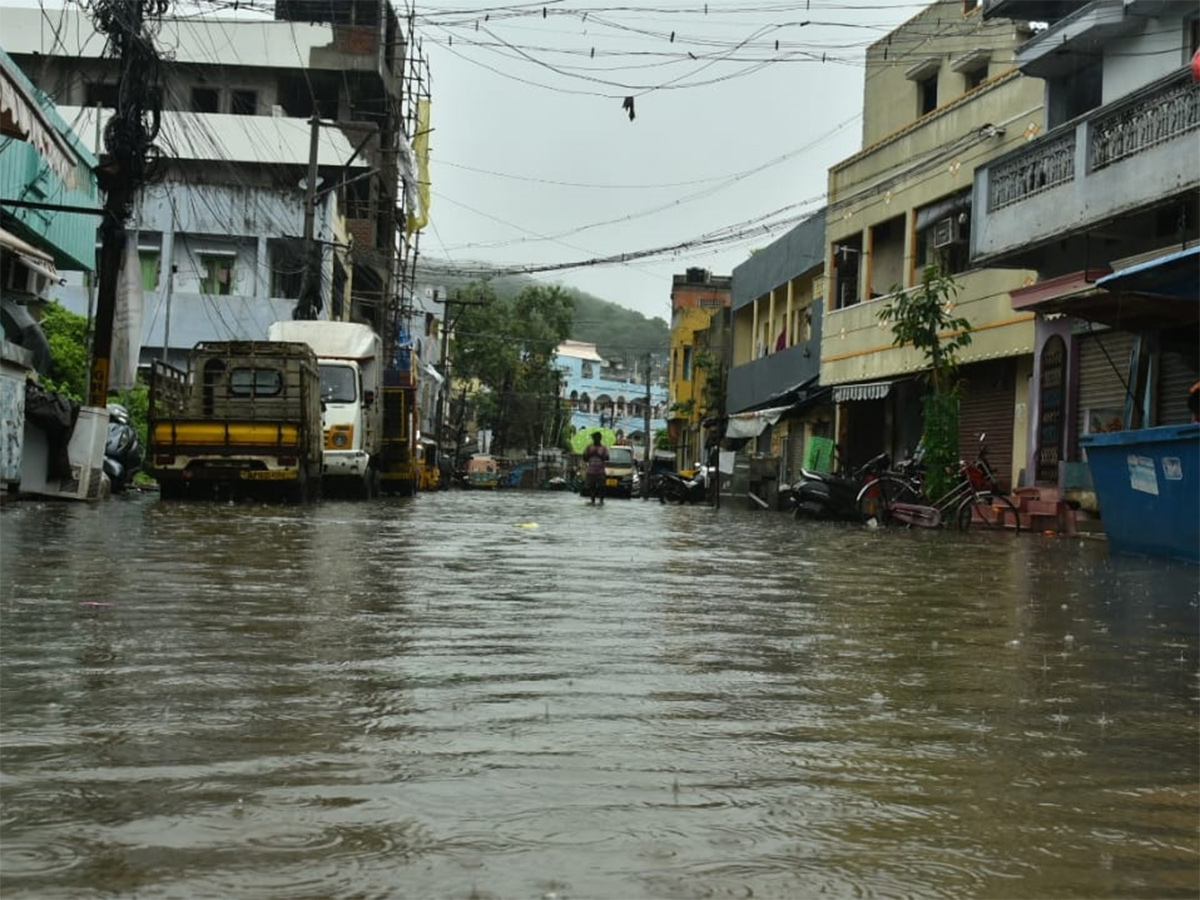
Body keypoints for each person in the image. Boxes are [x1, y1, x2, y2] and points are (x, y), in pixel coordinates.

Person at [582, 431, 609, 505]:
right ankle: (592, 501)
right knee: (591, 487)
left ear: (600, 438)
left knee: (602, 487)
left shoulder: (603, 448)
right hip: (591, 471)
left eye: (597, 438)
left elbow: (607, 458)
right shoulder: (589, 447)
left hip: (600, 471)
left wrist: (599, 455)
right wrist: (590, 454)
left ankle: (601, 501)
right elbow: (584, 458)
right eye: (594, 438)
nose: (595, 439)